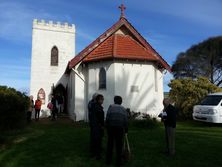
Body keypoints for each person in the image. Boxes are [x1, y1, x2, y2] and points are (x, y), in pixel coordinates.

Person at [106, 96, 128, 166]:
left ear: (114, 101)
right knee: (119, 145)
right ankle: (118, 161)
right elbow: (125, 120)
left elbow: (108, 116)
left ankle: (108, 161)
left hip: (111, 127)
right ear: (121, 101)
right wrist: (126, 129)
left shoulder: (111, 107)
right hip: (119, 127)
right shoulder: (123, 109)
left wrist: (107, 124)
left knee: (110, 144)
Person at [91, 94, 105, 160]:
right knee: (98, 140)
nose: (103, 100)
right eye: (101, 99)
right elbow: (100, 117)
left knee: (94, 140)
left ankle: (93, 153)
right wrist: (102, 125)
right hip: (97, 126)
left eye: (103, 99)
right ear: (98, 100)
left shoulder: (95, 106)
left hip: (94, 125)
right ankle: (98, 155)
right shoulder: (98, 107)